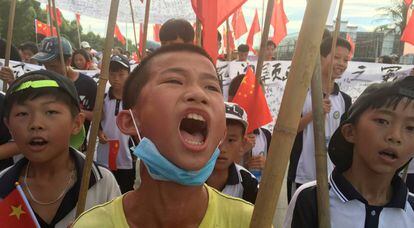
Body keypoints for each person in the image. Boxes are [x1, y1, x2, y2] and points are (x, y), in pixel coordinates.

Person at [73, 44, 253, 227]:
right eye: (174, 81)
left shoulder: (251, 221)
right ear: (129, 122)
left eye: (212, 87)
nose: (199, 94)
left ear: (221, 131)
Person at [284, 76, 414, 228]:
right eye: (382, 121)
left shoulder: (411, 209)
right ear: (350, 132)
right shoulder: (313, 199)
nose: (396, 136)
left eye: (411, 128)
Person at [0, 69, 120, 227]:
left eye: (50, 112)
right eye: (22, 114)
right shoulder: (4, 184)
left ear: (76, 123)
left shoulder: (100, 182)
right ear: (9, 126)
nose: (36, 124)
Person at [287, 37, 352, 201]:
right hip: (302, 175)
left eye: (345, 59)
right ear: (321, 57)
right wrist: (314, 113)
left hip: (333, 178)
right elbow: (287, 131)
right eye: (336, 57)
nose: (341, 63)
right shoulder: (301, 92)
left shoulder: (344, 99)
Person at [31, 37, 97, 149]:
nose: (48, 70)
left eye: (53, 66)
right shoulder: (42, 81)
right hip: (45, 147)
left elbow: (98, 116)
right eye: (45, 66)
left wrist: (69, 110)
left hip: (76, 147)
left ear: (68, 61)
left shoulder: (88, 84)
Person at [206, 102, 258, 204]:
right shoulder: (187, 177)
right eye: (217, 138)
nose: (222, 148)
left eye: (231, 140)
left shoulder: (248, 183)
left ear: (242, 145)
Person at [97, 54, 135, 194]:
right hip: (105, 152)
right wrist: (99, 132)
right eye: (112, 74)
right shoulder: (102, 97)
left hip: (127, 154)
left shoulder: (134, 99)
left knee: (126, 191)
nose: (116, 78)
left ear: (129, 75)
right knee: (106, 190)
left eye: (121, 74)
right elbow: (98, 121)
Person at [227, 74, 272, 180]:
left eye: (261, 99)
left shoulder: (265, 136)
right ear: (231, 99)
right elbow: (215, 169)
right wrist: (241, 151)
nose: (258, 104)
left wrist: (267, 165)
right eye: (252, 99)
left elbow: (275, 171)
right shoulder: (221, 133)